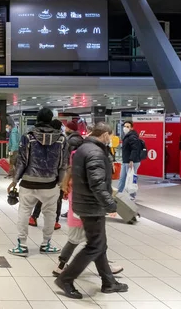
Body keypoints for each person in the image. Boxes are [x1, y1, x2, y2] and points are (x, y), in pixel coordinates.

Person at [55, 123, 128, 299]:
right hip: (92, 205)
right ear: (104, 135)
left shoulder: (83, 148)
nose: (111, 139)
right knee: (94, 245)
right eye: (110, 136)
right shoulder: (95, 152)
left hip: (85, 202)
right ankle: (66, 278)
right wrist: (109, 203)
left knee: (99, 245)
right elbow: (97, 183)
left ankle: (108, 281)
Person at [53, 149, 123, 277]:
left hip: (78, 216)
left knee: (91, 243)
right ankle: (61, 266)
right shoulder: (77, 181)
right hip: (82, 217)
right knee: (86, 242)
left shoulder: (71, 178)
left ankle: (61, 265)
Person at [7, 108, 67, 257]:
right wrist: (60, 182)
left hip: (29, 182)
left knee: (24, 212)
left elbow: (22, 161)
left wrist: (15, 181)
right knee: (50, 214)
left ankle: (22, 245)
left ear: (37, 119)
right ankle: (46, 244)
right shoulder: (61, 138)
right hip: (50, 183)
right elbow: (63, 163)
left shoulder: (28, 136)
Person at [30, 119, 80, 229]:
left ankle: (35, 217)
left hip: (54, 172)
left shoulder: (64, 140)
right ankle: (53, 221)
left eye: (66, 127)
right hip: (62, 172)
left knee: (46, 195)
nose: (65, 128)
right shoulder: (66, 139)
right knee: (56, 197)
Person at [117, 120, 142, 194]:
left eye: (127, 127)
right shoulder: (126, 136)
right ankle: (119, 194)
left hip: (132, 161)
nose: (125, 128)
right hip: (125, 161)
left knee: (131, 179)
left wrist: (131, 160)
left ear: (131, 128)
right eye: (124, 126)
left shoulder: (132, 136)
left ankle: (132, 195)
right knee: (122, 178)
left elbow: (135, 149)